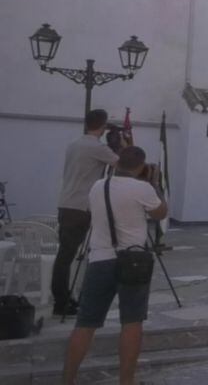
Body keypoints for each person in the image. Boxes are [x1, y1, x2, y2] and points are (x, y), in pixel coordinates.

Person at [62, 146, 166, 385]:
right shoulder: (143, 188)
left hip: (100, 258)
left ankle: (68, 380)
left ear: (117, 163)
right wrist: (155, 184)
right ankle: (126, 381)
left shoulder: (99, 186)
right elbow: (161, 213)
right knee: (131, 321)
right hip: (133, 261)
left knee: (86, 323)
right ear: (141, 166)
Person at [53, 109, 121, 317]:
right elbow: (122, 164)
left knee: (64, 255)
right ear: (102, 125)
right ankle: (62, 302)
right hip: (81, 207)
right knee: (67, 256)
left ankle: (63, 298)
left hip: (66, 203)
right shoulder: (96, 147)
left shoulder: (74, 144)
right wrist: (121, 144)